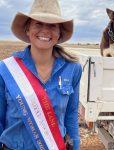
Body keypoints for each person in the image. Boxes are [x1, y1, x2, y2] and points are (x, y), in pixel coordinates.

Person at [0, 0, 82, 150]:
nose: (45, 30)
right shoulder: (6, 69)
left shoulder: (73, 69)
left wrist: (75, 146)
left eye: (52, 25)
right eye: (38, 23)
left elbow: (71, 114)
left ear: (59, 33)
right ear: (27, 30)